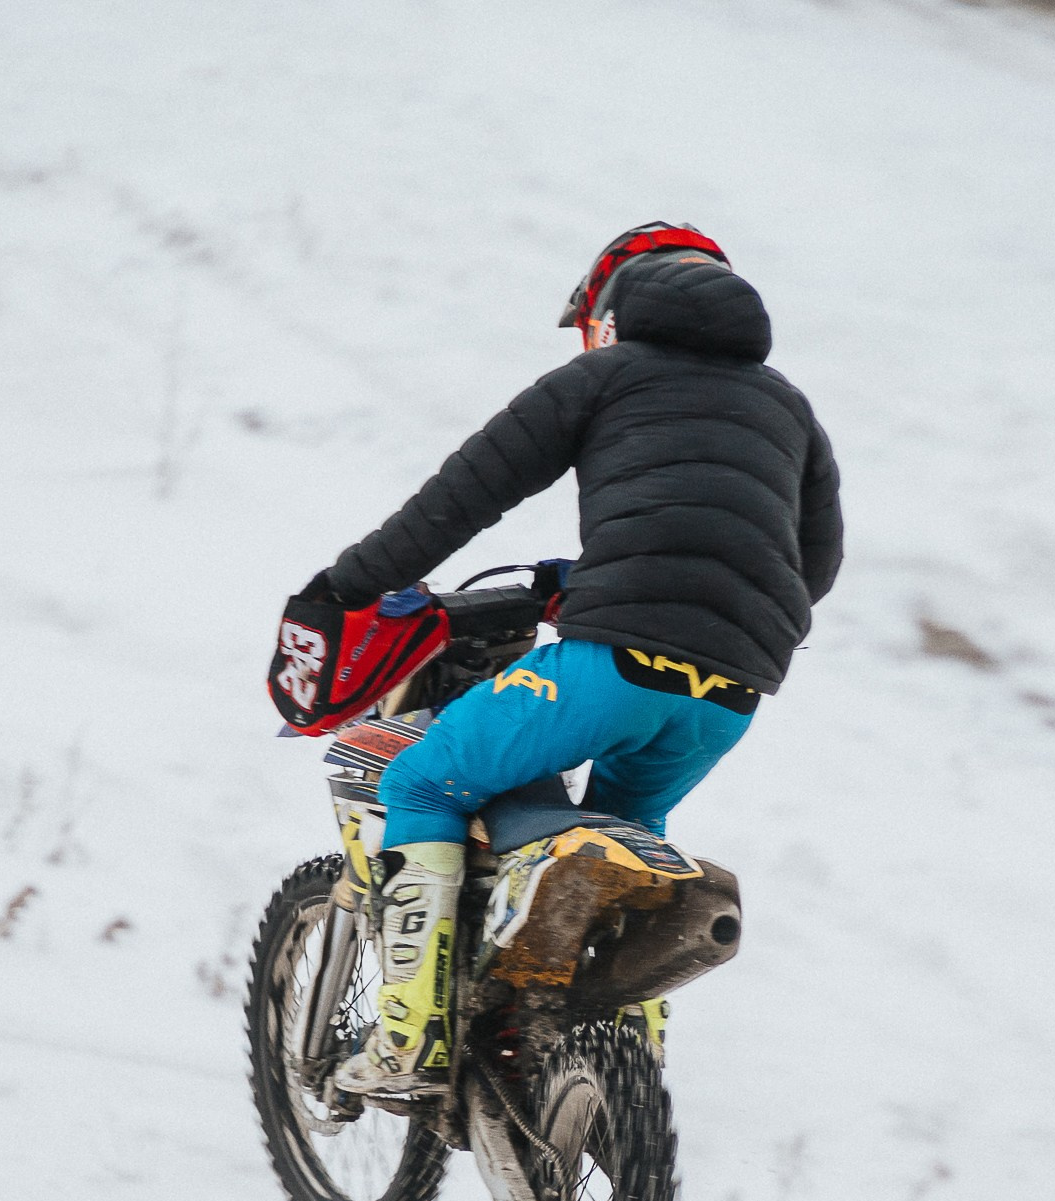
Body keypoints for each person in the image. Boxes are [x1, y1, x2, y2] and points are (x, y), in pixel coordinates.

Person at [304, 222, 843, 1095]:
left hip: (611, 668)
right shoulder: (787, 407)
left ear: (611, 308)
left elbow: (464, 496)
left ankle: (408, 1041)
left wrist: (349, 584)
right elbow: (810, 566)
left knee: (420, 783)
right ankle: (624, 1076)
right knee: (629, 840)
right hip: (731, 694)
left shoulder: (605, 375)